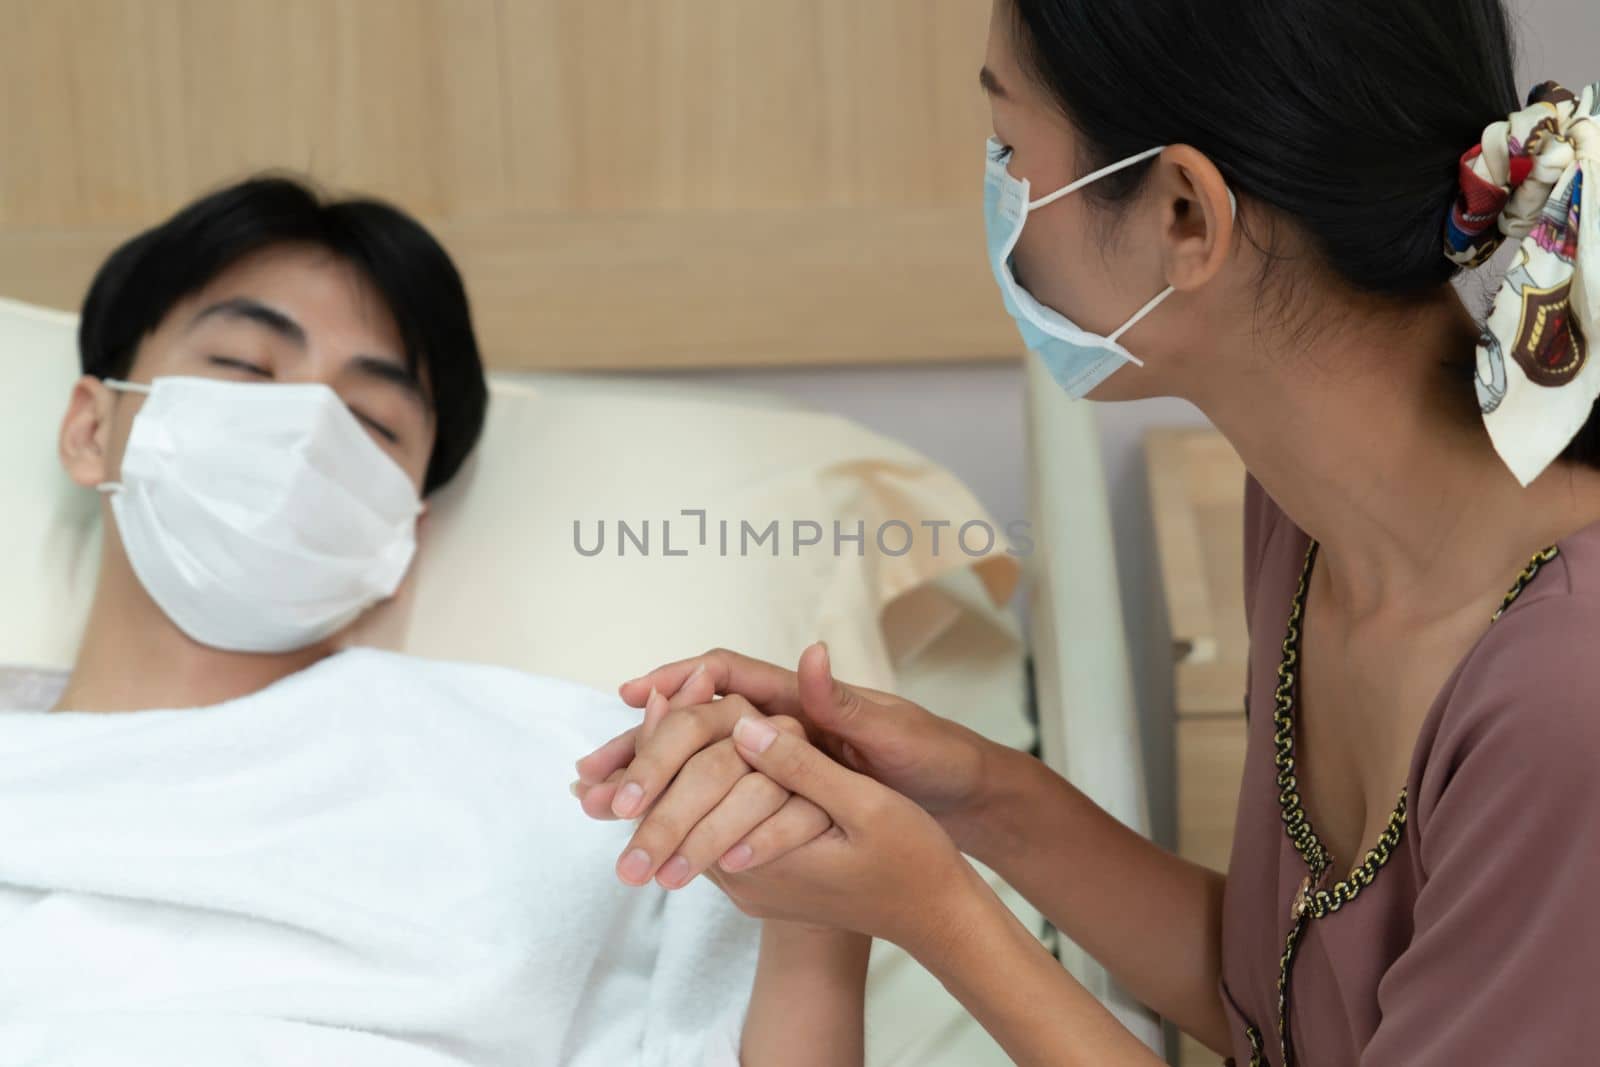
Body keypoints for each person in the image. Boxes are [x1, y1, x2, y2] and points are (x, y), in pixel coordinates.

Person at [575, 1, 1600, 1064]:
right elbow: (1288, 1004)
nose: (1000, 198)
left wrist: (935, 909)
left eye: (1012, 150)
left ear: (1184, 218)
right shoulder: (1312, 517)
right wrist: (968, 788)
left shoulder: (1564, 704)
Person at [0, 176, 869, 1067]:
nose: (305, 432)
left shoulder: (588, 779)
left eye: (371, 424)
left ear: (401, 531)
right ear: (89, 427)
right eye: (246, 367)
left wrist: (816, 909)